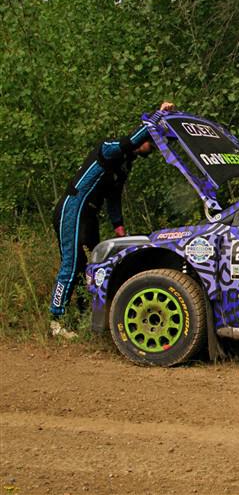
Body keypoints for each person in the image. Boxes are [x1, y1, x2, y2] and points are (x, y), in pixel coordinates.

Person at [49, 101, 174, 336]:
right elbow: (132, 140)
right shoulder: (110, 148)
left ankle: (84, 315)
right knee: (72, 263)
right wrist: (159, 114)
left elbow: (114, 198)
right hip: (73, 207)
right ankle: (55, 320)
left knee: (92, 266)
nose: (153, 148)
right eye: (152, 143)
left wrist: (119, 227)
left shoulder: (125, 166)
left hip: (90, 214)